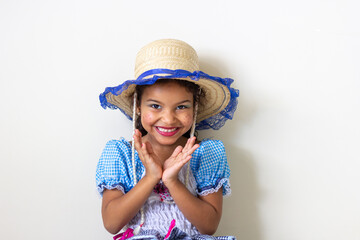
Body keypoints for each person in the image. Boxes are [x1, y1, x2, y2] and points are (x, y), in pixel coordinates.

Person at [96, 39, 239, 240]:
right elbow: (112, 223)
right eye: (155, 106)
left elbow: (209, 226)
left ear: (195, 107)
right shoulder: (120, 154)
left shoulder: (206, 153)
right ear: (138, 106)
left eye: (181, 107)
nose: (169, 119)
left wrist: (172, 180)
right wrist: (151, 177)